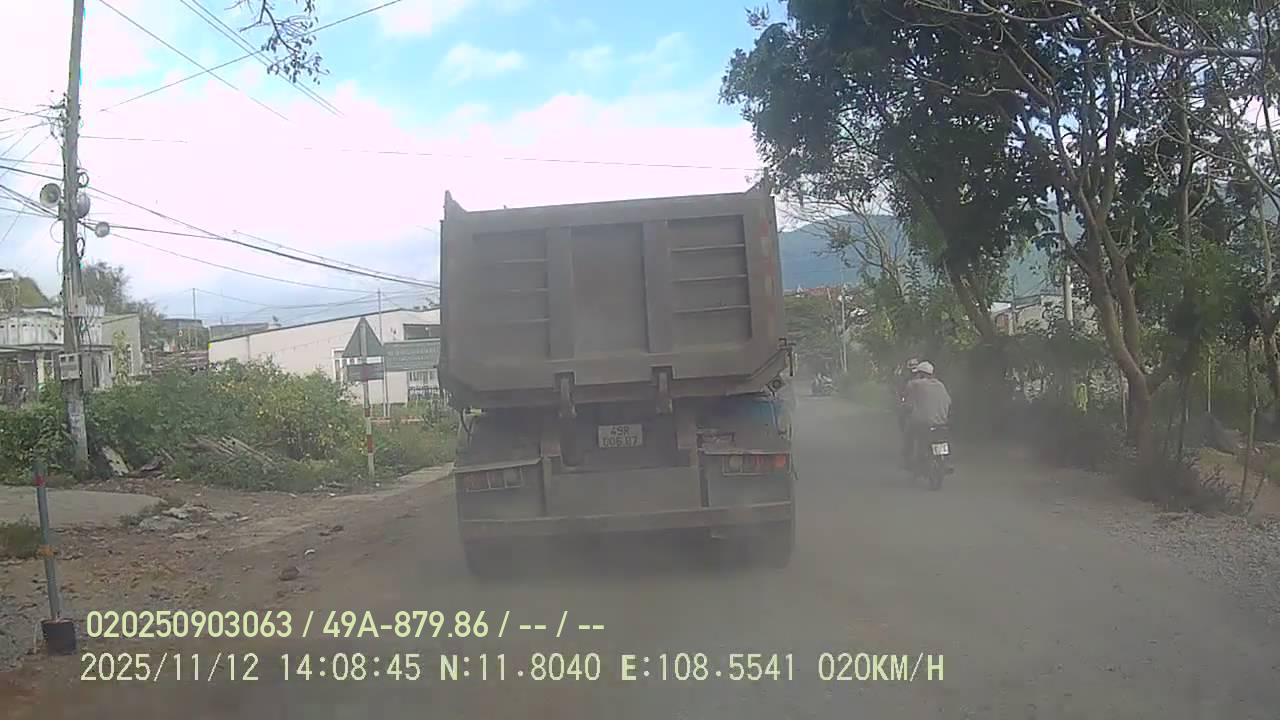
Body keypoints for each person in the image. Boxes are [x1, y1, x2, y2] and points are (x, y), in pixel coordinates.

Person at [902, 361, 951, 469]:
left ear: (920, 374)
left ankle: (908, 461)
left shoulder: (913, 384)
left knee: (908, 433)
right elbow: (948, 402)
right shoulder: (941, 385)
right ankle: (945, 460)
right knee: (943, 439)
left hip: (922, 423)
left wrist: (906, 409)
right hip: (942, 423)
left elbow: (908, 404)